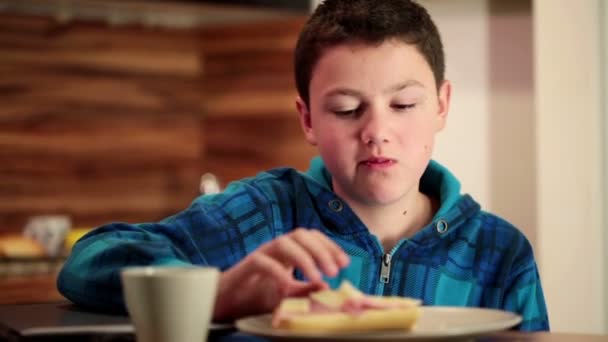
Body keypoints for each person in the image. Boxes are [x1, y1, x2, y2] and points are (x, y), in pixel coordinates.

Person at [57, 0, 549, 332]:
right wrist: (219, 293)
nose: (377, 131)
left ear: (441, 105)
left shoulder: (499, 254)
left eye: (403, 105)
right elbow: (88, 261)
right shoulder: (265, 215)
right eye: (347, 109)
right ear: (308, 118)